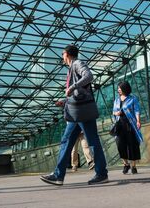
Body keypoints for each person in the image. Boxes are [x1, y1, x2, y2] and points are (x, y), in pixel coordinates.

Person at [40, 45, 108, 186]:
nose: (62, 57)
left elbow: (89, 76)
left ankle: (101, 173)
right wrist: (65, 101)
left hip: (82, 112)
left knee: (92, 141)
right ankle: (58, 175)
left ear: (67, 54)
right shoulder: (72, 68)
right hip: (76, 113)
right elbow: (79, 93)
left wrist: (72, 87)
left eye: (62, 54)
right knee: (67, 141)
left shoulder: (77, 63)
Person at [112, 81, 143, 174]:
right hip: (119, 125)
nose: (118, 90)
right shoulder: (116, 100)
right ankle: (126, 164)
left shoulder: (132, 98)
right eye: (118, 88)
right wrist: (116, 113)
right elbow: (113, 111)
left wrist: (138, 121)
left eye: (120, 88)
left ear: (125, 88)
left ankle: (133, 166)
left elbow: (137, 110)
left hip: (130, 125)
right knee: (120, 145)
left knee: (132, 145)